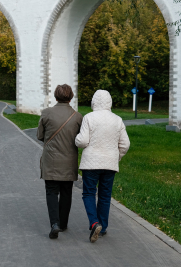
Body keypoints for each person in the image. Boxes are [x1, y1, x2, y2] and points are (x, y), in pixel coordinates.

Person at [75, 89, 130, 243]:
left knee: (89, 193)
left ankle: (94, 223)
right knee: (105, 195)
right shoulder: (117, 120)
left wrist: (76, 139)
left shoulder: (89, 118)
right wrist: (116, 157)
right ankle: (103, 227)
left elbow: (82, 141)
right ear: (109, 102)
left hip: (91, 163)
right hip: (110, 164)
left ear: (94, 102)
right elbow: (125, 144)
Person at [37, 84, 83, 239]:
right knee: (66, 192)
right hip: (69, 161)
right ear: (71, 97)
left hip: (51, 161)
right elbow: (80, 139)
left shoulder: (46, 113)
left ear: (55, 96)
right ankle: (63, 224)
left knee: (51, 191)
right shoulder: (77, 117)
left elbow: (39, 136)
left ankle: (54, 223)